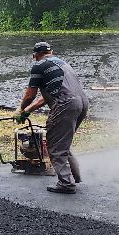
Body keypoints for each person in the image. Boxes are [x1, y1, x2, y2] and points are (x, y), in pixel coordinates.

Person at [17, 40, 89, 194]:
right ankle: (74, 177)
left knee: (55, 145)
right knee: (63, 143)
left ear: (35, 55)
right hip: (82, 103)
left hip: (66, 104)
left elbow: (30, 94)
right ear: (51, 52)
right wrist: (28, 110)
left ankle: (66, 184)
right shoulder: (62, 64)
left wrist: (21, 109)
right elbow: (44, 98)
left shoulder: (39, 65)